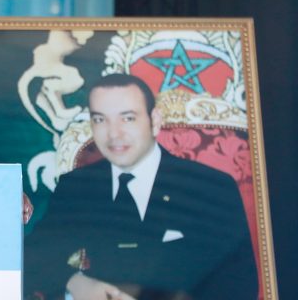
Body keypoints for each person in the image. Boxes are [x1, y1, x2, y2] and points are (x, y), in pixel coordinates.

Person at [24, 74, 257, 300]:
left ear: (154, 121)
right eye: (100, 119)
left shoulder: (208, 187)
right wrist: (74, 282)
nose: (114, 134)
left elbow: (239, 281)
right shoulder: (77, 186)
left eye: (128, 118)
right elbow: (34, 260)